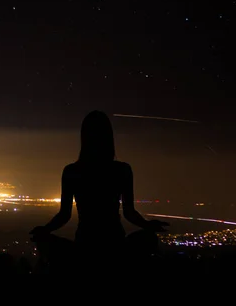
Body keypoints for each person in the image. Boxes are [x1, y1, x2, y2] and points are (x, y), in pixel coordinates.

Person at [30, 110, 169, 271]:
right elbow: (129, 213)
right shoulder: (122, 170)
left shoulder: (72, 171)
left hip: (84, 242)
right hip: (115, 242)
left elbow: (64, 215)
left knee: (49, 247)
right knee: (148, 240)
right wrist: (147, 225)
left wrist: (45, 230)